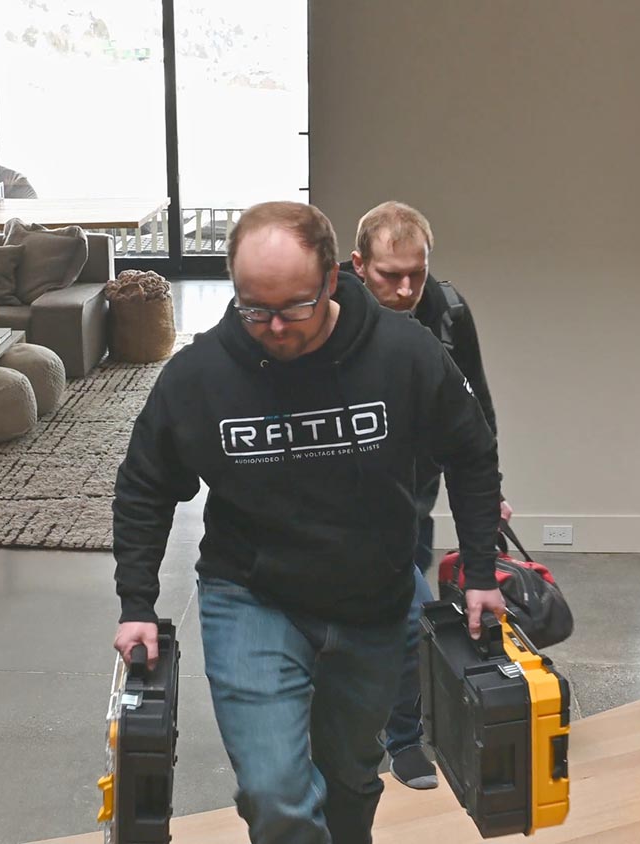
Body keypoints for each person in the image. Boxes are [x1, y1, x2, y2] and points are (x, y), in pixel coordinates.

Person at [112, 201, 506, 844]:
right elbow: (145, 485)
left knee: (350, 781)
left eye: (294, 306)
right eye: (254, 307)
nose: (272, 327)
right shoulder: (200, 375)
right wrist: (137, 602)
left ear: (330, 279)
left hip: (372, 601)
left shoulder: (403, 353)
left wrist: (481, 570)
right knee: (275, 794)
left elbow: (471, 452)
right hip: (252, 597)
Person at [342, 201, 511, 790]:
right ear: (359, 265)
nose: (406, 289)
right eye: (390, 275)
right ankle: (365, 735)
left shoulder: (446, 312)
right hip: (344, 497)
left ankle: (402, 737)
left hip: (414, 491)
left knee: (409, 618)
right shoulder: (327, 309)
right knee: (366, 617)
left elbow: (476, 411)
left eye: (417, 273)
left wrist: (490, 495)